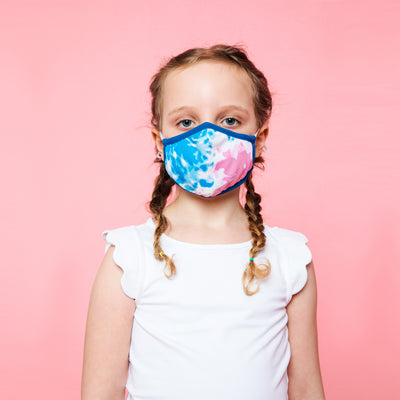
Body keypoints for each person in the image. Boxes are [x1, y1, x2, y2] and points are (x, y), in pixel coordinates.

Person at [81, 44, 326, 400]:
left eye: (230, 120)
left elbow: (306, 389)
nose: (208, 137)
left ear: (260, 138)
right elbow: (99, 393)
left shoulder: (290, 257)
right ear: (159, 141)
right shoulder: (128, 258)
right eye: (186, 122)